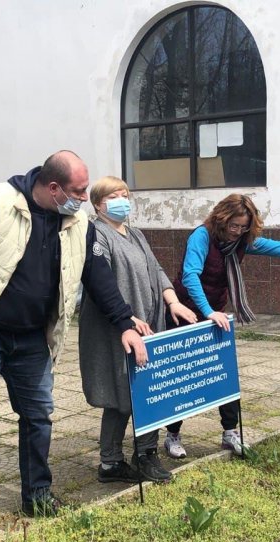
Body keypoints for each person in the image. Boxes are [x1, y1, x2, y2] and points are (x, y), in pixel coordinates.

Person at [0, 151, 148, 542]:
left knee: (39, 417)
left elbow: (98, 278)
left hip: (33, 338)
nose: (83, 199)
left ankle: (37, 497)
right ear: (54, 187)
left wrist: (125, 324)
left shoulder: (78, 223)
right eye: (78, 192)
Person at [163, 193, 280, 459]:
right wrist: (207, 311)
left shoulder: (241, 242)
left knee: (223, 373)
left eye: (243, 228)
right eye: (234, 226)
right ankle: (172, 434)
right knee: (182, 377)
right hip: (184, 313)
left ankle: (230, 432)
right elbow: (190, 275)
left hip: (214, 314)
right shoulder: (202, 236)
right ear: (222, 218)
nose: (238, 232)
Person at [79, 176, 197, 484]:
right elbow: (100, 280)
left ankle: (146, 454)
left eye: (125, 194)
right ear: (98, 203)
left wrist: (173, 302)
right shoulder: (97, 234)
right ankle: (110, 463)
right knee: (119, 394)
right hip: (114, 327)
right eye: (114, 195)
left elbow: (155, 270)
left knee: (150, 390)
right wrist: (125, 318)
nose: (122, 199)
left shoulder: (135, 233)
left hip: (148, 321)